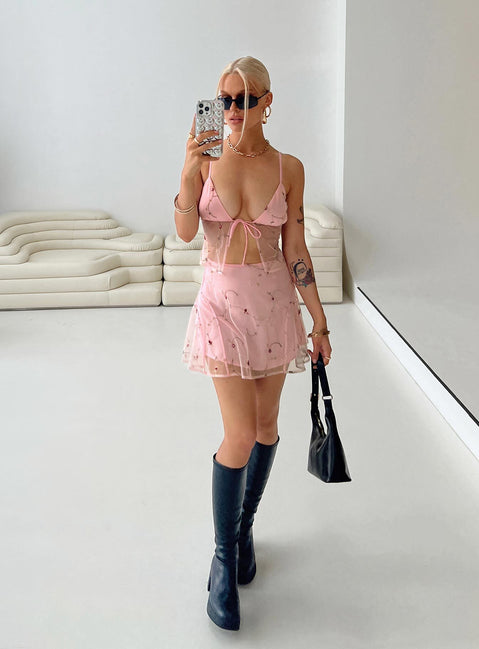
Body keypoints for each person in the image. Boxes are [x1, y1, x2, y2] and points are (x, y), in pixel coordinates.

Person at [174, 56, 332, 631]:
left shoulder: (289, 168)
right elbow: (186, 231)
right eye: (225, 99)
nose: (233, 110)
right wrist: (188, 171)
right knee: (238, 434)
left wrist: (319, 321)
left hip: (273, 310)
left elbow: (296, 251)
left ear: (268, 102)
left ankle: (243, 535)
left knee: (267, 428)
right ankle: (223, 560)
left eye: (245, 99)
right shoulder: (207, 158)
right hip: (221, 308)